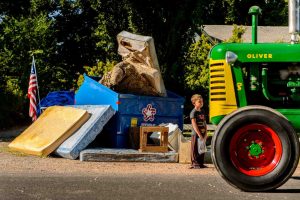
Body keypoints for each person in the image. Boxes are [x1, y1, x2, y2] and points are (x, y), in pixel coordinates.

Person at [189, 94, 208, 169]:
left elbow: (204, 122)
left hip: (203, 133)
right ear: (194, 103)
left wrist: (206, 133)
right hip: (196, 134)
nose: (201, 103)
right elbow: (194, 124)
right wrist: (199, 134)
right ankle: (194, 163)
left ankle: (201, 163)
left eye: (202, 101)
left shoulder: (202, 111)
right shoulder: (193, 112)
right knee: (195, 149)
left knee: (202, 148)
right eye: (199, 102)